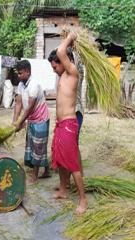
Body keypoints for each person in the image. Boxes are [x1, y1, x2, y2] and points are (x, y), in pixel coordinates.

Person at [48, 33, 88, 214]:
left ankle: (83, 200)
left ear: (65, 62)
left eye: (55, 65)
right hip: (60, 124)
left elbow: (61, 50)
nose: (53, 69)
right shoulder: (62, 76)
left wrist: (70, 36)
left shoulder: (72, 73)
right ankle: (63, 190)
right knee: (60, 160)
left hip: (69, 124)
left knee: (72, 163)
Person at [13, 60, 51, 184]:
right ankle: (47, 171)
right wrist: (15, 120)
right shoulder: (21, 85)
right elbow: (18, 102)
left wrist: (20, 123)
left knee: (38, 146)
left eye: (20, 73)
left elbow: (29, 108)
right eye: (17, 73)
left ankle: (35, 177)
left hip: (40, 118)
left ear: (28, 72)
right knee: (34, 144)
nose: (18, 76)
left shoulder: (34, 85)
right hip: (31, 119)